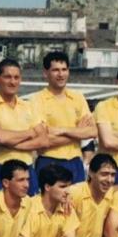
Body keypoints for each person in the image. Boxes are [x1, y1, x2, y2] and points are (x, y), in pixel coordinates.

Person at [0, 59, 48, 195]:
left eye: (16, 77)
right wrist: (30, 133)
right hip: (0, 171)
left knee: (29, 214)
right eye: (8, 77)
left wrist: (10, 142)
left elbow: (43, 140)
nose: (12, 82)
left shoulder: (28, 106)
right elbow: (0, 137)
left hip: (27, 170)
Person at [30, 51, 96, 184]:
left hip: (75, 163)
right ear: (45, 73)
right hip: (49, 162)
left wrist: (62, 130)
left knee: (74, 204)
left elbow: (92, 131)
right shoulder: (36, 100)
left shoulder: (78, 97)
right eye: (55, 70)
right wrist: (77, 132)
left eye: (64, 69)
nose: (61, 74)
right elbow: (43, 139)